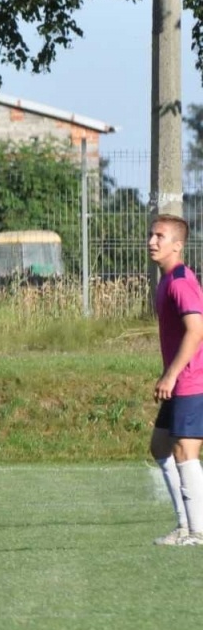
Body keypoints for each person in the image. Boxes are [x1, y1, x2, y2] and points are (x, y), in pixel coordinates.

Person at [146, 214, 203, 545]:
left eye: (160, 236)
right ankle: (184, 526)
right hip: (180, 381)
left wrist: (171, 373)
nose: (152, 241)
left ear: (177, 246)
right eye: (152, 235)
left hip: (192, 381)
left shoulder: (181, 281)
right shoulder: (166, 280)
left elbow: (196, 330)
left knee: (185, 451)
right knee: (161, 446)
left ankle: (197, 531)